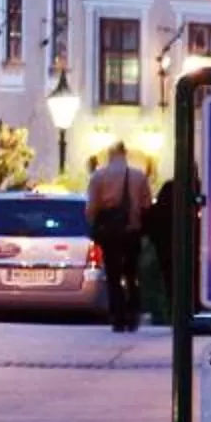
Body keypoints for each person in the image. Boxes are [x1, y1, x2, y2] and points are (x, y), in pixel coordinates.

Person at [85, 139, 150, 332]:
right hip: (132, 230)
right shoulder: (138, 176)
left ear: (111, 154)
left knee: (113, 275)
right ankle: (132, 313)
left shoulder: (99, 175)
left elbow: (92, 207)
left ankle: (117, 316)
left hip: (109, 231)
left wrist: (92, 223)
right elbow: (147, 204)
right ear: (125, 154)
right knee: (131, 273)